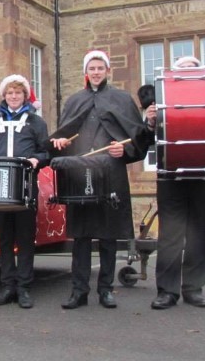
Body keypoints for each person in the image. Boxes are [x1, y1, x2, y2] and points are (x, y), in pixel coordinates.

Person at [50, 50, 150, 309]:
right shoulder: (74, 101)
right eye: (92, 68)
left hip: (110, 172)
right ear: (87, 72)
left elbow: (138, 137)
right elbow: (63, 136)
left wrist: (123, 150)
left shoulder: (121, 99)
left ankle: (105, 289)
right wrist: (60, 142)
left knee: (108, 235)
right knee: (81, 235)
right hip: (80, 173)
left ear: (107, 71)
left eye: (100, 68)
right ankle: (78, 290)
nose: (96, 72)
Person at [149, 56, 205, 310]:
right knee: (170, 235)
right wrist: (151, 121)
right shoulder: (162, 103)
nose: (186, 73)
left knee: (201, 233)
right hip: (171, 176)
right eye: (182, 69)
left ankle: (194, 288)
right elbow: (148, 140)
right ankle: (167, 291)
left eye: (191, 69)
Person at [0, 74, 49, 309]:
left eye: (17, 92)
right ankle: (8, 286)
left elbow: (45, 152)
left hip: (25, 184)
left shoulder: (36, 122)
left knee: (26, 238)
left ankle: (24, 287)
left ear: (24, 95)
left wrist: (34, 160)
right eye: (9, 93)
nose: (13, 96)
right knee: (5, 238)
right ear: (4, 96)